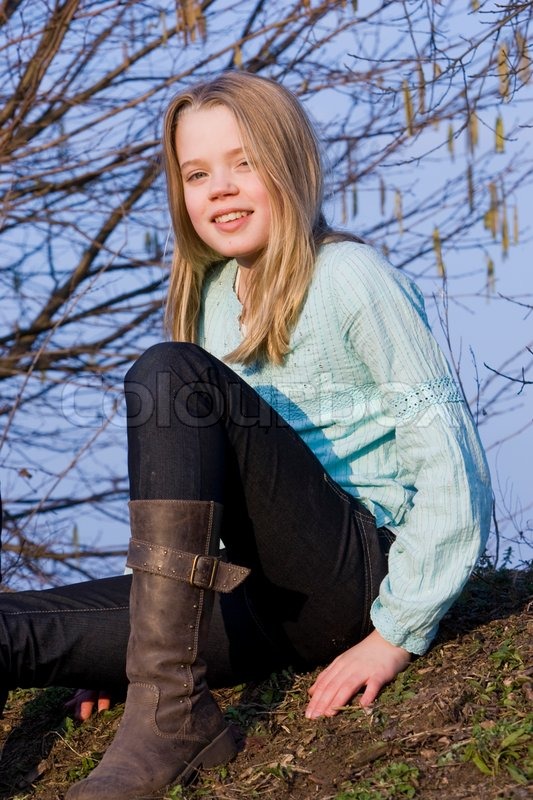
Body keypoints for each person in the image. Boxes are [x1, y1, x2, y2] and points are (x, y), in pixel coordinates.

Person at [0, 72, 492, 800]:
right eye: (197, 173)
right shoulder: (207, 300)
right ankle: (162, 688)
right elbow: (199, 497)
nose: (219, 188)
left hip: (352, 573)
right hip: (248, 595)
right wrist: (121, 655)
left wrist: (393, 635)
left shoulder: (350, 277)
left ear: (289, 166)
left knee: (169, 374)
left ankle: (168, 721)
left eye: (243, 163)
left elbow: (455, 471)